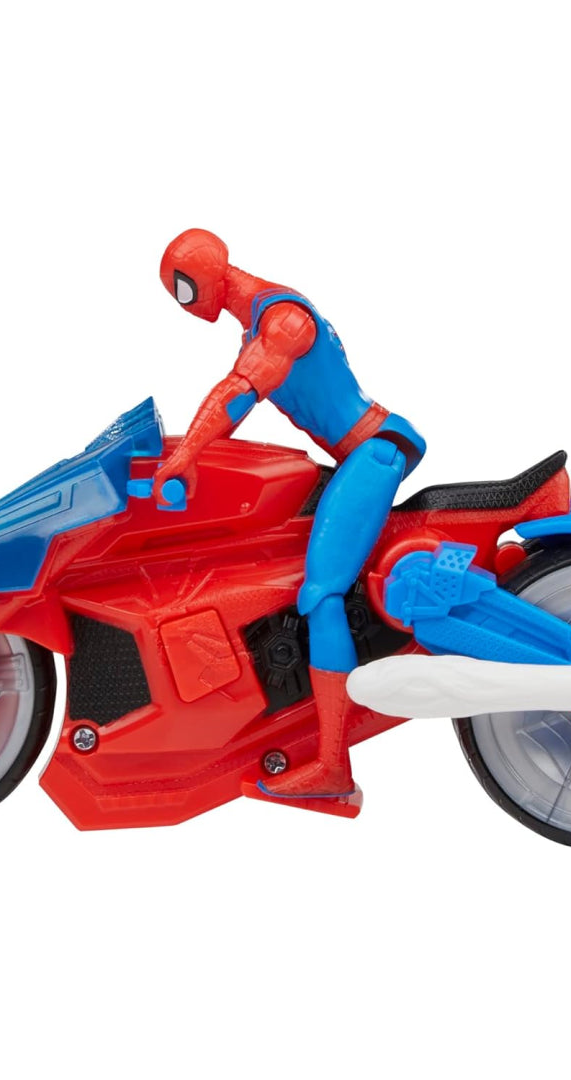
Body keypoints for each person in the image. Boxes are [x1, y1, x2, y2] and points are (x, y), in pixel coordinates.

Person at [156, 229, 425, 798]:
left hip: (374, 451)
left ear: (203, 276)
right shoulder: (258, 327)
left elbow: (238, 392)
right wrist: (191, 453)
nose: (185, 304)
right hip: (361, 455)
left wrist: (187, 455)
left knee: (321, 594)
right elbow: (237, 404)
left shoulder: (283, 320)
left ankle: (331, 766)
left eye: (182, 291)